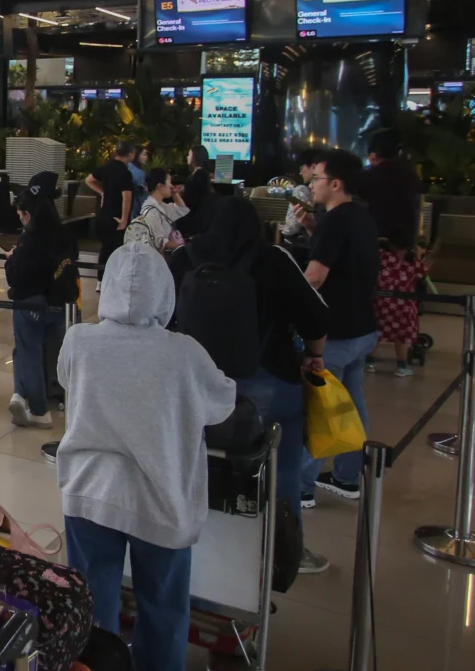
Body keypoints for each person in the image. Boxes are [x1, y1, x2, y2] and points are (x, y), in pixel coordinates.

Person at [56, 243, 236, 671]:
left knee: (94, 603)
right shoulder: (184, 353)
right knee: (162, 604)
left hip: (90, 491)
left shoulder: (79, 340)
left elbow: (66, 382)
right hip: (162, 499)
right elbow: (222, 403)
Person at [174, 196, 331, 573]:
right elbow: (316, 320)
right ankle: (286, 553)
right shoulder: (274, 260)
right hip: (267, 378)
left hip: (196, 385)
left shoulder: (184, 259)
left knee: (201, 462)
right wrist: (315, 355)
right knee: (283, 466)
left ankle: (202, 542)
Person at [293, 149, 380, 502]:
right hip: (363, 327)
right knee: (352, 404)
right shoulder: (359, 217)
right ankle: (347, 476)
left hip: (335, 333)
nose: (312, 185)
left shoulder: (336, 220)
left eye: (317, 180)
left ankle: (300, 488)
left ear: (336, 184)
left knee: (318, 409)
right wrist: (313, 228)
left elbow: (314, 278)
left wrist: (285, 296)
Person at [4, 180, 73, 428]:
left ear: (28, 214)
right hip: (57, 302)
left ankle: (39, 409)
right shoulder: (59, 232)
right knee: (42, 352)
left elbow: (17, 275)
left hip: (30, 302)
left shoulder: (30, 240)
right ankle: (20, 394)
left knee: (28, 351)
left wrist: (10, 260)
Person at [371, 232, 429, 378]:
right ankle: (401, 366)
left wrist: (382, 239)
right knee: (401, 336)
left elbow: (369, 245)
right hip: (404, 304)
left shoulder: (382, 256)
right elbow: (423, 274)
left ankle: (369, 362)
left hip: (381, 301)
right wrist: (419, 255)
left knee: (377, 332)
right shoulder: (412, 263)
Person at [358, 130, 423, 250]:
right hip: (405, 245)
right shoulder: (411, 175)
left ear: (373, 156)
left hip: (375, 245)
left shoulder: (367, 177)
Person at [85, 141, 136, 278]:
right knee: (116, 250)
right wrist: (124, 220)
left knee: (105, 249)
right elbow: (126, 197)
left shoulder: (107, 167)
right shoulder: (125, 172)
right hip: (116, 217)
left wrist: (103, 192)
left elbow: (89, 180)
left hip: (103, 215)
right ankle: (112, 279)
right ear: (130, 154)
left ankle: (100, 280)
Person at [128, 167, 189, 254]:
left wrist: (174, 194)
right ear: (160, 186)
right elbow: (159, 242)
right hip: (158, 259)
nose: (171, 186)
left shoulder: (160, 206)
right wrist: (184, 247)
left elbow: (182, 210)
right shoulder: (151, 211)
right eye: (169, 182)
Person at [174, 144, 214, 237]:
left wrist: (181, 193)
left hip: (196, 216)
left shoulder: (200, 174)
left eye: (189, 154)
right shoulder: (196, 174)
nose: (187, 157)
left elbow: (193, 197)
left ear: (195, 157)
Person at [130, 144, 151, 215]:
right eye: (144, 155)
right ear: (136, 155)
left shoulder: (126, 167)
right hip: (136, 209)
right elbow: (143, 196)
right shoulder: (139, 174)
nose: (146, 157)